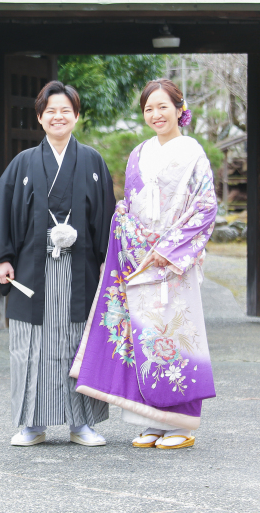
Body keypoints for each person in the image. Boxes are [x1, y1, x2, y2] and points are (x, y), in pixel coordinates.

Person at [70, 79, 217, 450]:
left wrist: (167, 249)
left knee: (175, 337)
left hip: (170, 262)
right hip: (138, 258)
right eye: (149, 109)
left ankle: (181, 424)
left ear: (179, 109)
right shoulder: (138, 153)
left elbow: (205, 207)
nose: (156, 115)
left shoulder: (193, 154)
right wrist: (132, 239)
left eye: (163, 107)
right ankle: (150, 420)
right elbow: (129, 206)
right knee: (141, 338)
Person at [0, 81, 115, 446]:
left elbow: (107, 218)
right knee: (30, 345)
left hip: (80, 270)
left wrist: (107, 263)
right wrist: (2, 257)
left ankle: (82, 424)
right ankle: (31, 424)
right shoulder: (24, 163)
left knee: (77, 341)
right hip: (32, 270)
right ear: (40, 117)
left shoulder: (93, 161)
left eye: (66, 110)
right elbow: (2, 213)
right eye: (51, 111)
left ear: (77, 116)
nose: (58, 116)